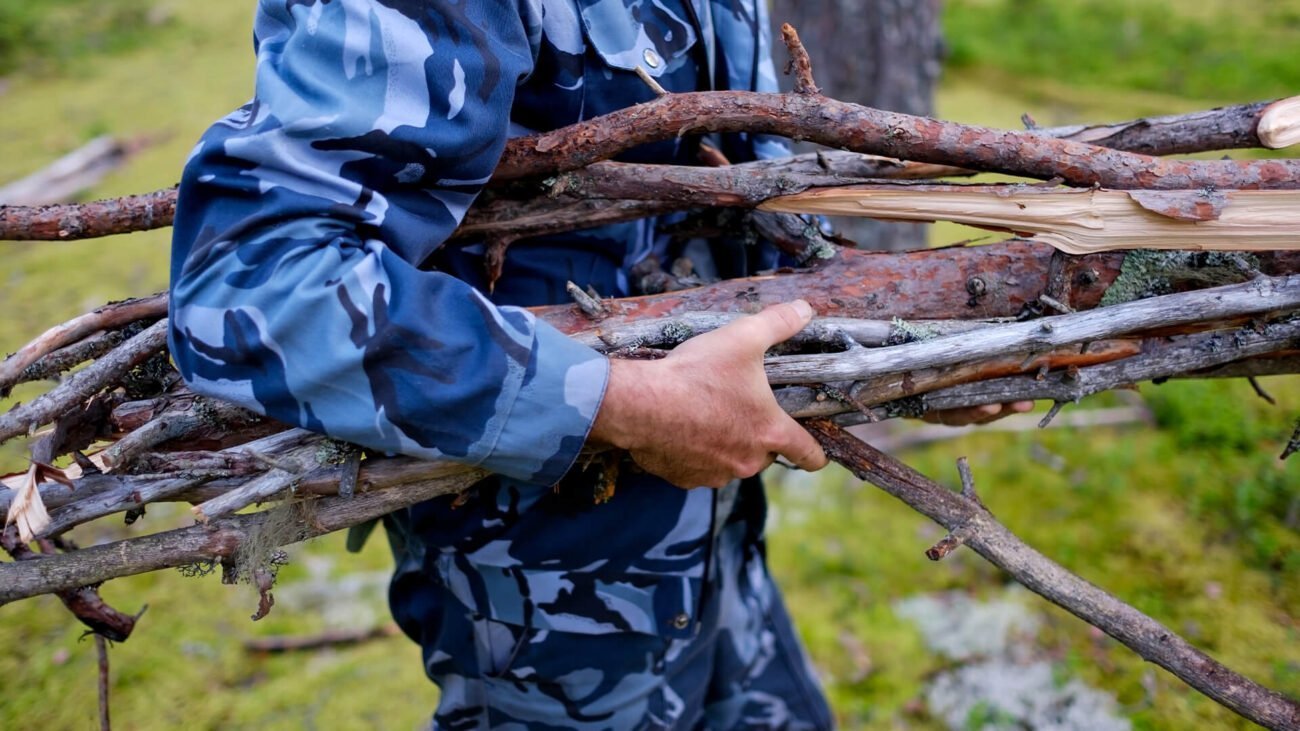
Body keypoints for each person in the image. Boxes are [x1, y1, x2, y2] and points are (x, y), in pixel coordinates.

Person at [169, 2, 1027, 728]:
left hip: (722, 550)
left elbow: (728, 208)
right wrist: (633, 405)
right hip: (544, 599)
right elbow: (259, 278)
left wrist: (907, 361)